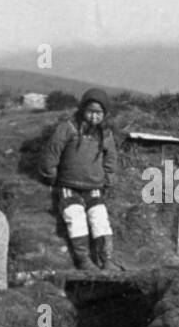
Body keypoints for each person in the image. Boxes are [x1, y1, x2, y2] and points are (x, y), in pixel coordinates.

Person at [37, 88, 119, 270]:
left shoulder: (105, 134)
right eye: (90, 112)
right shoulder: (68, 128)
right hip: (69, 186)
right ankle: (84, 260)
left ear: (104, 114)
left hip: (94, 186)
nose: (94, 117)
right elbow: (52, 151)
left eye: (99, 113)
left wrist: (108, 178)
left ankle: (106, 259)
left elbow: (111, 158)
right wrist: (50, 175)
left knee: (100, 220)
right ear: (83, 110)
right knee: (76, 218)